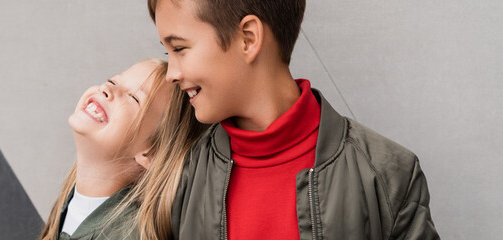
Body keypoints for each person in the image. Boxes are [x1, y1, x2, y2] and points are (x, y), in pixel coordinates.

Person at [146, 0, 440, 239]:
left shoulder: (388, 175)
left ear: (248, 39)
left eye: (180, 48)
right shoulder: (180, 172)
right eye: (167, 51)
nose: (172, 72)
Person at [39, 58, 175, 240]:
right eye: (113, 81)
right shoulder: (68, 207)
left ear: (150, 153)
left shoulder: (130, 235)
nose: (106, 88)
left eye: (134, 97)